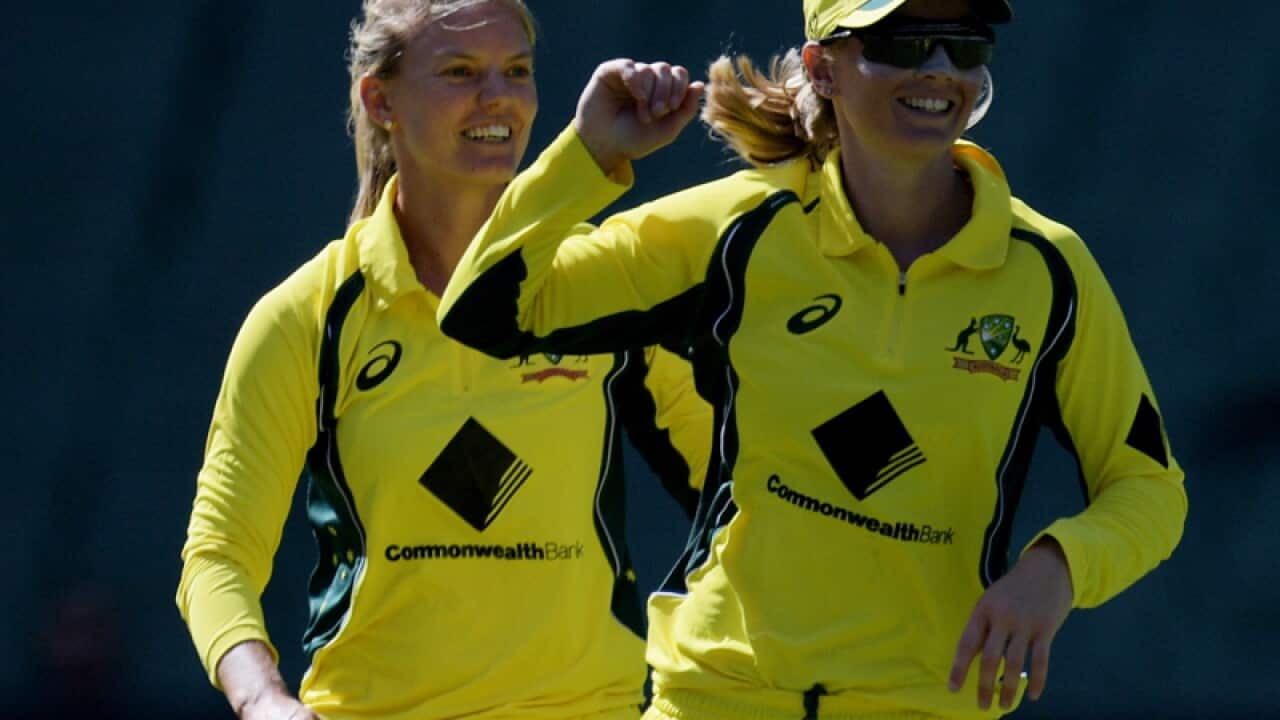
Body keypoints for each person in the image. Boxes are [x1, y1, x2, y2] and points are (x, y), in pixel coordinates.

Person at [436, 0, 1187, 717]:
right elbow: (488, 308)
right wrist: (590, 154)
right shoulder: (738, 230)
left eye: (963, 45)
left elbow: (1149, 487)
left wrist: (1057, 570)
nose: (938, 69)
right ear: (822, 68)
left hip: (926, 706)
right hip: (716, 698)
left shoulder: (1048, 270)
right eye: (899, 44)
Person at [176, 1, 710, 719]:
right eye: (460, 72)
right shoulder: (308, 317)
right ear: (380, 99)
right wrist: (262, 698)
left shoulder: (602, 285)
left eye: (516, 71)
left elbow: (742, 490)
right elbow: (218, 556)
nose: (498, 97)